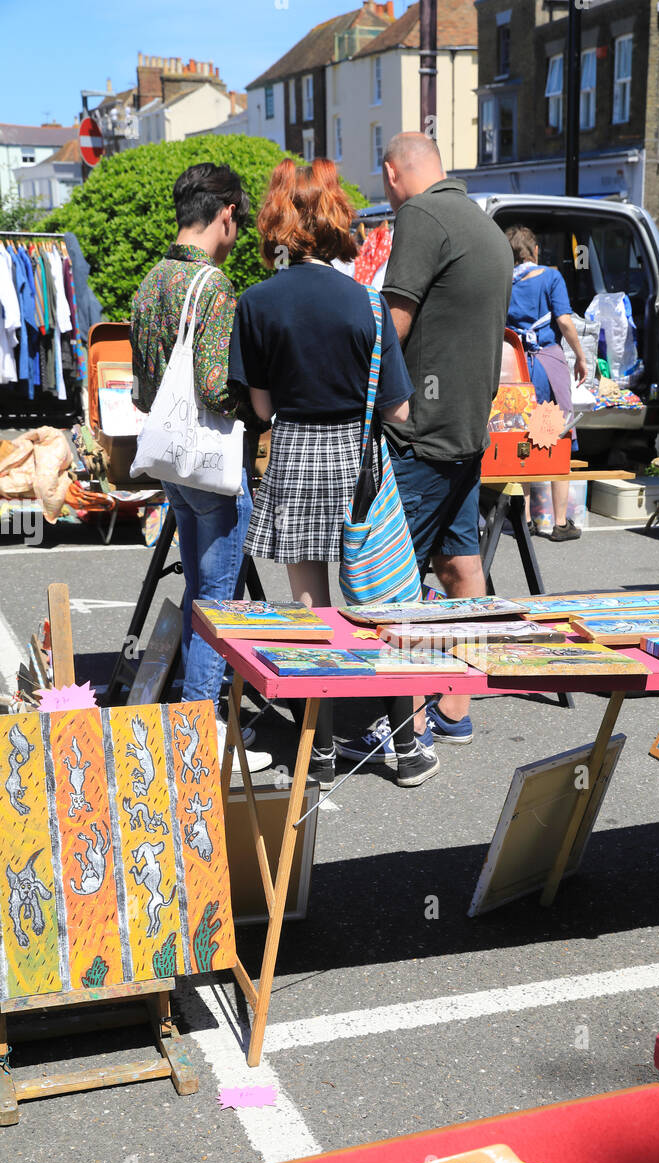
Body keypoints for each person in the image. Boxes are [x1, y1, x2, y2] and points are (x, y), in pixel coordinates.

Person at [228, 158, 429, 789]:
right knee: (383, 605)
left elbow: (260, 408)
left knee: (310, 612)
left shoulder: (256, 304)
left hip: (295, 454)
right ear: (335, 215)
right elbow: (397, 408)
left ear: (279, 220)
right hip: (360, 461)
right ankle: (407, 749)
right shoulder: (368, 306)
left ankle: (316, 750)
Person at [335, 132, 513, 767]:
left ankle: (408, 725)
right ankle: (457, 708)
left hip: (420, 429)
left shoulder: (419, 215)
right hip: (467, 427)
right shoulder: (487, 226)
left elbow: (393, 322)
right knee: (463, 564)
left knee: (393, 578)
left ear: (391, 174)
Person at [131, 162, 271, 773]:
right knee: (217, 596)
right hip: (212, 462)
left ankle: (187, 720)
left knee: (196, 583)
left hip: (170, 459)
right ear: (228, 214)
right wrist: (256, 405)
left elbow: (142, 387)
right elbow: (216, 389)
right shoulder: (210, 287)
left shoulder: (150, 281)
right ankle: (198, 735)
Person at [504, 225, 587, 541]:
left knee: (524, 438)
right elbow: (564, 321)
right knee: (554, 438)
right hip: (547, 364)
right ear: (534, 250)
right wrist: (580, 356)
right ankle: (560, 522)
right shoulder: (551, 277)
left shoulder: (504, 282)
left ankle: (525, 520)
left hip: (518, 365)